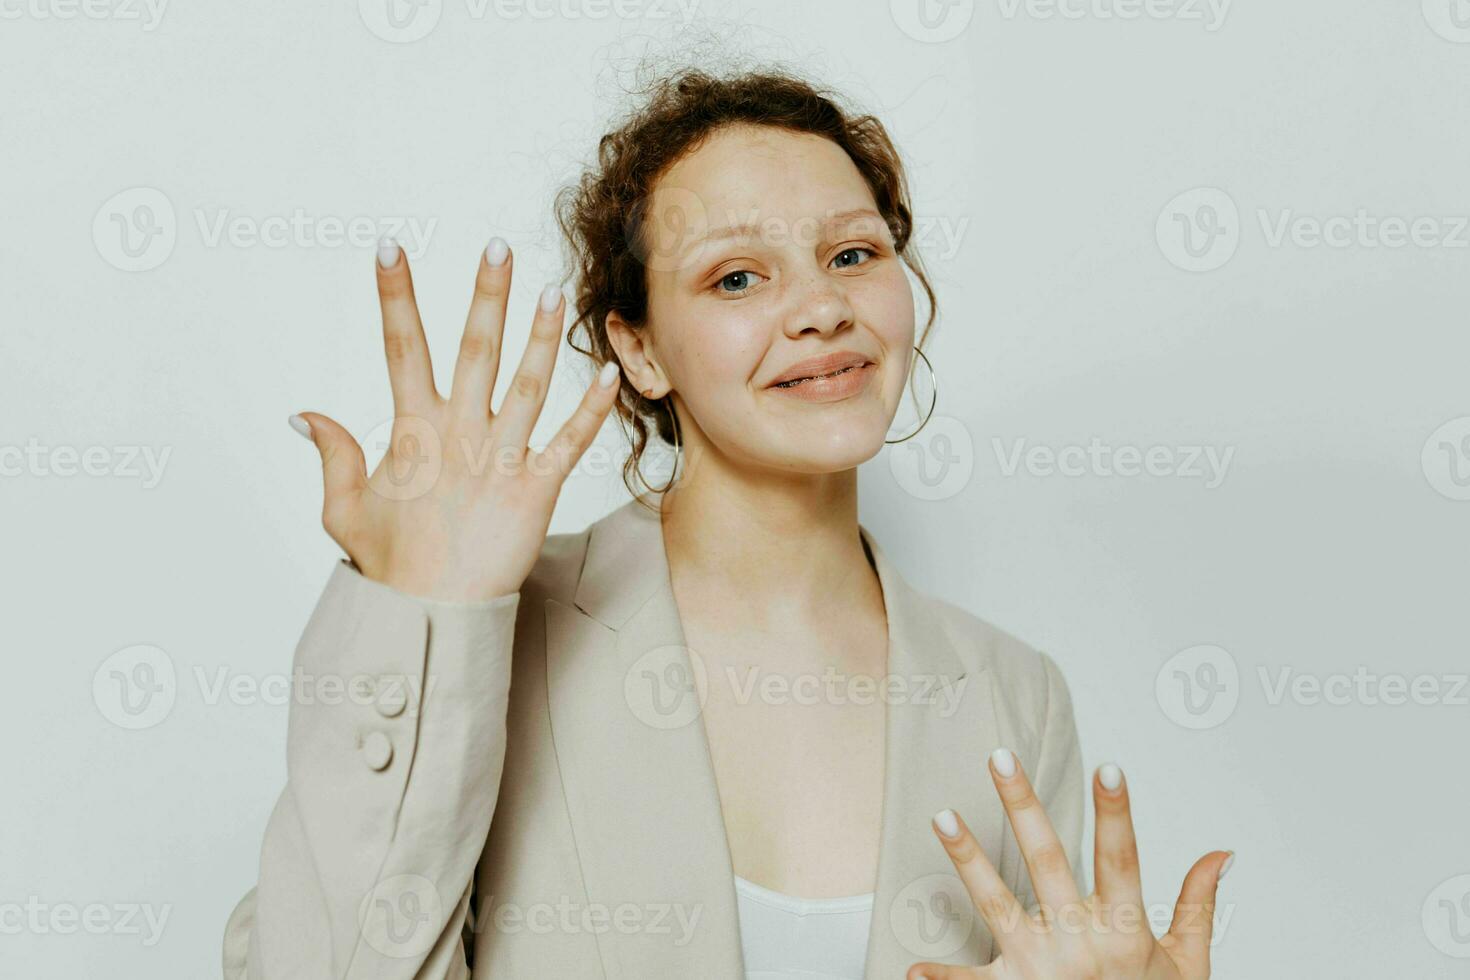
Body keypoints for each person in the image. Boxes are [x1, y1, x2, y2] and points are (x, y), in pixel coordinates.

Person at [222, 66, 1231, 980]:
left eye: (852, 252)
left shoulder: (1014, 694)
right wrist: (427, 613)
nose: (822, 308)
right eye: (736, 276)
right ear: (641, 349)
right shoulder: (497, 631)